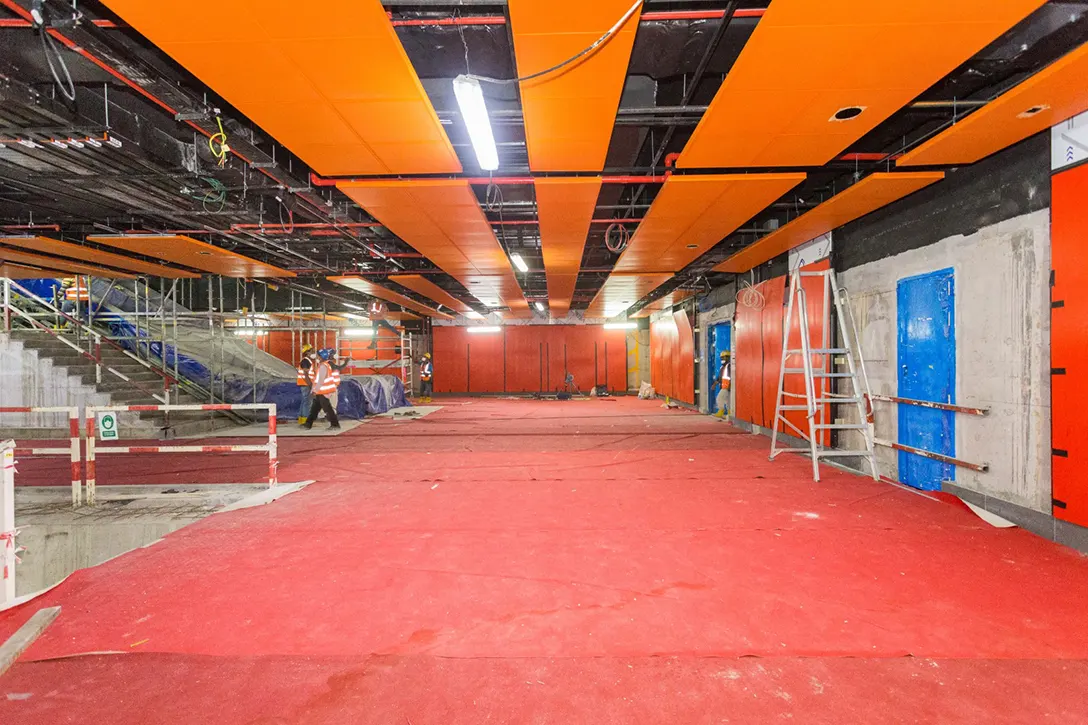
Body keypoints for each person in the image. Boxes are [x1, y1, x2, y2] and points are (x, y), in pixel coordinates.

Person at [303, 348, 341, 430]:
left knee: (328, 409)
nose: (316, 357)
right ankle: (308, 423)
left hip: (323, 391)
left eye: (317, 355)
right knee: (315, 408)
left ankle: (335, 424)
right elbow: (317, 380)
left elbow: (320, 380)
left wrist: (314, 391)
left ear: (320, 357)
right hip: (321, 391)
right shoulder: (323, 365)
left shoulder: (323, 366)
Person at [295, 344, 316, 425]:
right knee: (307, 402)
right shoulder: (306, 361)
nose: (313, 352)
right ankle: (306, 421)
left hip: (304, 384)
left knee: (304, 401)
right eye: (312, 351)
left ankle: (302, 420)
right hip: (306, 384)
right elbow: (306, 374)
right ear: (308, 352)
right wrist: (311, 385)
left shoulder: (307, 361)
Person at [714, 350, 732, 418]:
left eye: (724, 357)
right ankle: (730, 413)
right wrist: (715, 384)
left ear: (728, 358)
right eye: (721, 358)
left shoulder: (729, 366)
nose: (722, 359)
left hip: (727, 387)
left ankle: (721, 410)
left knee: (719, 398)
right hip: (724, 387)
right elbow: (720, 378)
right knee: (728, 401)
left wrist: (729, 386)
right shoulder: (722, 367)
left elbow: (731, 377)